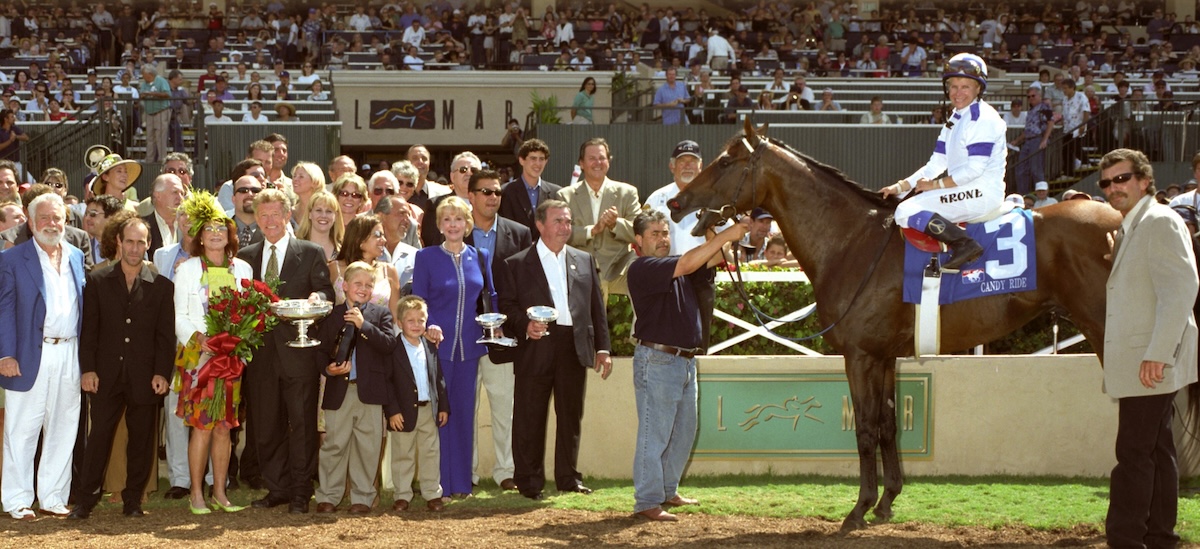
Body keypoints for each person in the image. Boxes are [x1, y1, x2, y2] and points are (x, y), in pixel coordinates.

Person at [1098, 148, 1199, 549]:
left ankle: (1125, 540)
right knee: (1157, 451)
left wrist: (1158, 353)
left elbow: (1181, 290)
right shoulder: (1133, 226)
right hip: (1147, 359)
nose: (1112, 188)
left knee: (1134, 454)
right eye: (1106, 183)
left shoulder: (1159, 221)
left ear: (1144, 180)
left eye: (1121, 179)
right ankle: (1160, 537)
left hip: (1152, 360)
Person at [627, 209, 747, 521]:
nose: (662, 238)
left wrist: (713, 230)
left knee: (682, 431)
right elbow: (691, 262)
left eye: (664, 232)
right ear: (638, 240)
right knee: (655, 433)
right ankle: (647, 501)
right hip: (658, 360)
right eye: (654, 233)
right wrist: (726, 235)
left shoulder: (675, 268)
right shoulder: (643, 267)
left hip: (682, 361)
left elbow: (712, 258)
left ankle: (667, 490)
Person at [496, 198, 611, 500]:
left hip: (573, 345)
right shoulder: (517, 263)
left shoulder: (583, 259)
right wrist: (525, 325)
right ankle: (529, 482)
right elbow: (507, 307)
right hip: (536, 347)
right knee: (529, 417)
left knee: (570, 416)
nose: (565, 227)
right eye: (558, 221)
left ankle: (568, 478)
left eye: (568, 221)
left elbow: (595, 308)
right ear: (540, 224)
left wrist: (603, 348)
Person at [237, 188, 333, 514]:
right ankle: (276, 488)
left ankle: (300, 492)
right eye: (262, 215)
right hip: (261, 356)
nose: (269, 221)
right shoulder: (246, 256)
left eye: (275, 214)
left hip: (299, 352)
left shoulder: (309, 252)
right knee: (265, 426)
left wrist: (315, 301)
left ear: (288, 215)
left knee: (302, 425)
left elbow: (324, 291)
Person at [70, 217, 173, 519]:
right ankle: (85, 501)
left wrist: (162, 373)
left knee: (141, 441)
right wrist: (87, 370)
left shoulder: (162, 287)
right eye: (129, 241)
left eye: (141, 242)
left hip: (144, 377)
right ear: (118, 242)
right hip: (105, 376)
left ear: (148, 244)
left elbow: (165, 337)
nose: (134, 247)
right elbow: (89, 331)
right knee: (99, 438)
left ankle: (133, 501)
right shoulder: (99, 282)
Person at [0, 193, 85, 520]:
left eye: (58, 217)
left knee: (64, 428)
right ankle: (17, 500)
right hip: (27, 356)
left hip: (69, 353)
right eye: (45, 218)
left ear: (66, 220)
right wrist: (6, 353)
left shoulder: (77, 256)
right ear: (31, 221)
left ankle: (53, 496)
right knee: (22, 429)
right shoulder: (12, 259)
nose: (52, 224)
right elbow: (4, 310)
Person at [880, 53, 1007, 273]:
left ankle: (964, 244)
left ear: (979, 88)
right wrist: (900, 187)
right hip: (964, 187)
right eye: (953, 86)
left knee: (905, 211)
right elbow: (935, 165)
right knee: (902, 200)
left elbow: (974, 170)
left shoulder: (983, 118)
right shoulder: (956, 117)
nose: (958, 93)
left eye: (965, 87)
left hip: (981, 192)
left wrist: (934, 186)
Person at [172, 192, 252, 514]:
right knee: (202, 425)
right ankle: (196, 494)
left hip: (231, 359)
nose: (216, 234)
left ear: (229, 235)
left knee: (224, 427)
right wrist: (199, 337)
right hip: (200, 358)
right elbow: (178, 315)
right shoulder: (188, 269)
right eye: (209, 229)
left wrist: (240, 342)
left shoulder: (243, 268)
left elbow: (250, 311)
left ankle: (220, 492)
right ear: (200, 237)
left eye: (221, 229)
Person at [411, 195, 494, 499]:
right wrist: (428, 323)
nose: (453, 225)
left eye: (458, 219)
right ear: (440, 225)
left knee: (463, 414)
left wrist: (493, 325)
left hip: (470, 349)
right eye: (447, 220)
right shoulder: (427, 257)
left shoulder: (480, 256)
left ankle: (461, 483)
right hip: (437, 349)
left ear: (467, 224)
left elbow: (490, 297)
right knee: (439, 416)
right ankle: (437, 484)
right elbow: (418, 300)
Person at [312, 261, 398, 514]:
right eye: (358, 284)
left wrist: (363, 325)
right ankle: (329, 495)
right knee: (334, 445)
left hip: (370, 391)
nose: (363, 289)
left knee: (367, 446)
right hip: (340, 391)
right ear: (345, 286)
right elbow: (319, 351)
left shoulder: (379, 314)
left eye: (368, 285)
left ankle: (362, 497)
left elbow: (389, 345)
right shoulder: (331, 316)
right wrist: (328, 369)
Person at [464, 169, 531, 492]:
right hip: (463, 335)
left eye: (497, 192)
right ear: (471, 195)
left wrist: (514, 322)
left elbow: (526, 285)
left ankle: (506, 471)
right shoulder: (453, 230)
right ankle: (467, 472)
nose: (492, 197)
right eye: (485, 191)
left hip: (504, 336)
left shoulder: (519, 233)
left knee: (506, 407)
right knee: (466, 407)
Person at [388, 295, 449, 512]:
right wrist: (392, 411)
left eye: (420, 320)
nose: (416, 325)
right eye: (410, 320)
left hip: (428, 409)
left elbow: (438, 378)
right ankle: (402, 495)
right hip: (403, 413)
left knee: (431, 452)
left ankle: (432, 493)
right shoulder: (392, 348)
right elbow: (388, 383)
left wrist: (442, 406)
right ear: (400, 322)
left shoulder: (430, 346)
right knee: (403, 454)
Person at [557, 137, 641, 298]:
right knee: (595, 283)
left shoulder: (627, 192)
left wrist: (615, 224)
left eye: (602, 158)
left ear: (609, 162)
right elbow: (561, 234)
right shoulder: (565, 195)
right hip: (580, 267)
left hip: (620, 267)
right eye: (592, 158)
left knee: (646, 281)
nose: (598, 162)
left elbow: (639, 231)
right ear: (581, 163)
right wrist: (592, 230)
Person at [329, 215, 400, 315]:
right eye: (377, 235)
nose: (384, 240)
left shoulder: (389, 271)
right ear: (359, 239)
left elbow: (396, 316)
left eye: (383, 235)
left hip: (376, 329)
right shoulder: (334, 268)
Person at [500, 139, 561, 242]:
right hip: (517, 253)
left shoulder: (556, 193)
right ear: (521, 160)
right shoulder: (506, 192)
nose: (538, 163)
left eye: (541, 159)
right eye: (533, 158)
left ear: (546, 161)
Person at [1011, 86, 1055, 196]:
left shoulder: (1044, 107)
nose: (1031, 98)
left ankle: (1042, 197)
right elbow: (1027, 129)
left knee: (1036, 169)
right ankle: (1024, 196)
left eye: (1033, 96)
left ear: (1039, 96)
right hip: (1028, 141)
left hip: (1038, 139)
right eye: (1029, 96)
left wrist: (1044, 140)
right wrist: (1016, 141)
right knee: (1021, 168)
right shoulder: (1030, 110)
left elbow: (1051, 122)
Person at [297, 190, 343, 262]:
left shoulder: (343, 251)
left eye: (329, 211)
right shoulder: (296, 249)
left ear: (336, 216)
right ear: (310, 214)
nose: (323, 216)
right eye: (318, 210)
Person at [138, 65, 171, 163]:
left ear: (150, 74)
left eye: (144, 75)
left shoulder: (161, 81)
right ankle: (149, 159)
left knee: (160, 137)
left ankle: (162, 159)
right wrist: (143, 95)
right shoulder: (144, 84)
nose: (143, 77)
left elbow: (167, 94)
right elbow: (141, 94)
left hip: (161, 112)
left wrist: (151, 94)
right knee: (149, 138)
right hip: (149, 113)